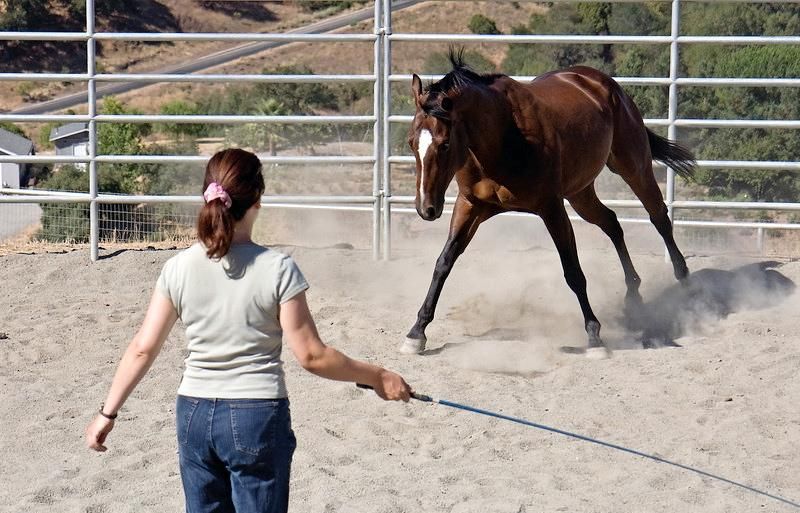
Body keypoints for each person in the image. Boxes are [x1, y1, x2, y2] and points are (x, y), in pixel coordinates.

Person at [85, 148, 412, 513]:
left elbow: (143, 348)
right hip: (255, 413)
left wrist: (107, 413)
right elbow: (312, 356)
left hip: (193, 413)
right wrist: (377, 376)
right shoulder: (278, 268)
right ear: (258, 199)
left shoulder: (177, 267)